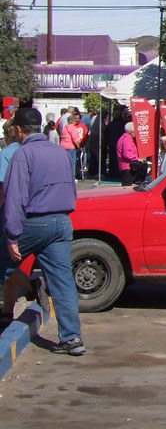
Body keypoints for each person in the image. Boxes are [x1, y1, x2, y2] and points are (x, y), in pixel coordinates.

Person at [1, 107, 85, 355]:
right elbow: (72, 189)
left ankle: (21, 295)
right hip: (62, 222)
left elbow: (15, 197)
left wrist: (12, 236)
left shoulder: (23, 154)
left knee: (3, 261)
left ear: (18, 130)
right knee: (62, 281)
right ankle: (72, 339)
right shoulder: (60, 152)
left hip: (34, 222)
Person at [0, 119, 37, 327]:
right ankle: (7, 311)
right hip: (31, 212)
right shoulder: (30, 152)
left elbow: (2, 191)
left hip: (8, 214)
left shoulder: (7, 154)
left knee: (5, 263)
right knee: (11, 263)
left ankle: (33, 286)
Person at [60, 112, 87, 180]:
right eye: (75, 120)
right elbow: (75, 139)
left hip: (63, 146)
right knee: (72, 162)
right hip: (71, 147)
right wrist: (79, 147)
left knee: (65, 162)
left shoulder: (64, 128)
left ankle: (64, 176)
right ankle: (72, 177)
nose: (76, 121)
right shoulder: (73, 128)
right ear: (72, 121)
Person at [116, 122, 143, 187]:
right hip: (127, 166)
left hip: (125, 166)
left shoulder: (124, 138)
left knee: (127, 185)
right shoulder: (127, 139)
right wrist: (137, 159)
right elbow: (127, 154)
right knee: (127, 186)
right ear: (132, 132)